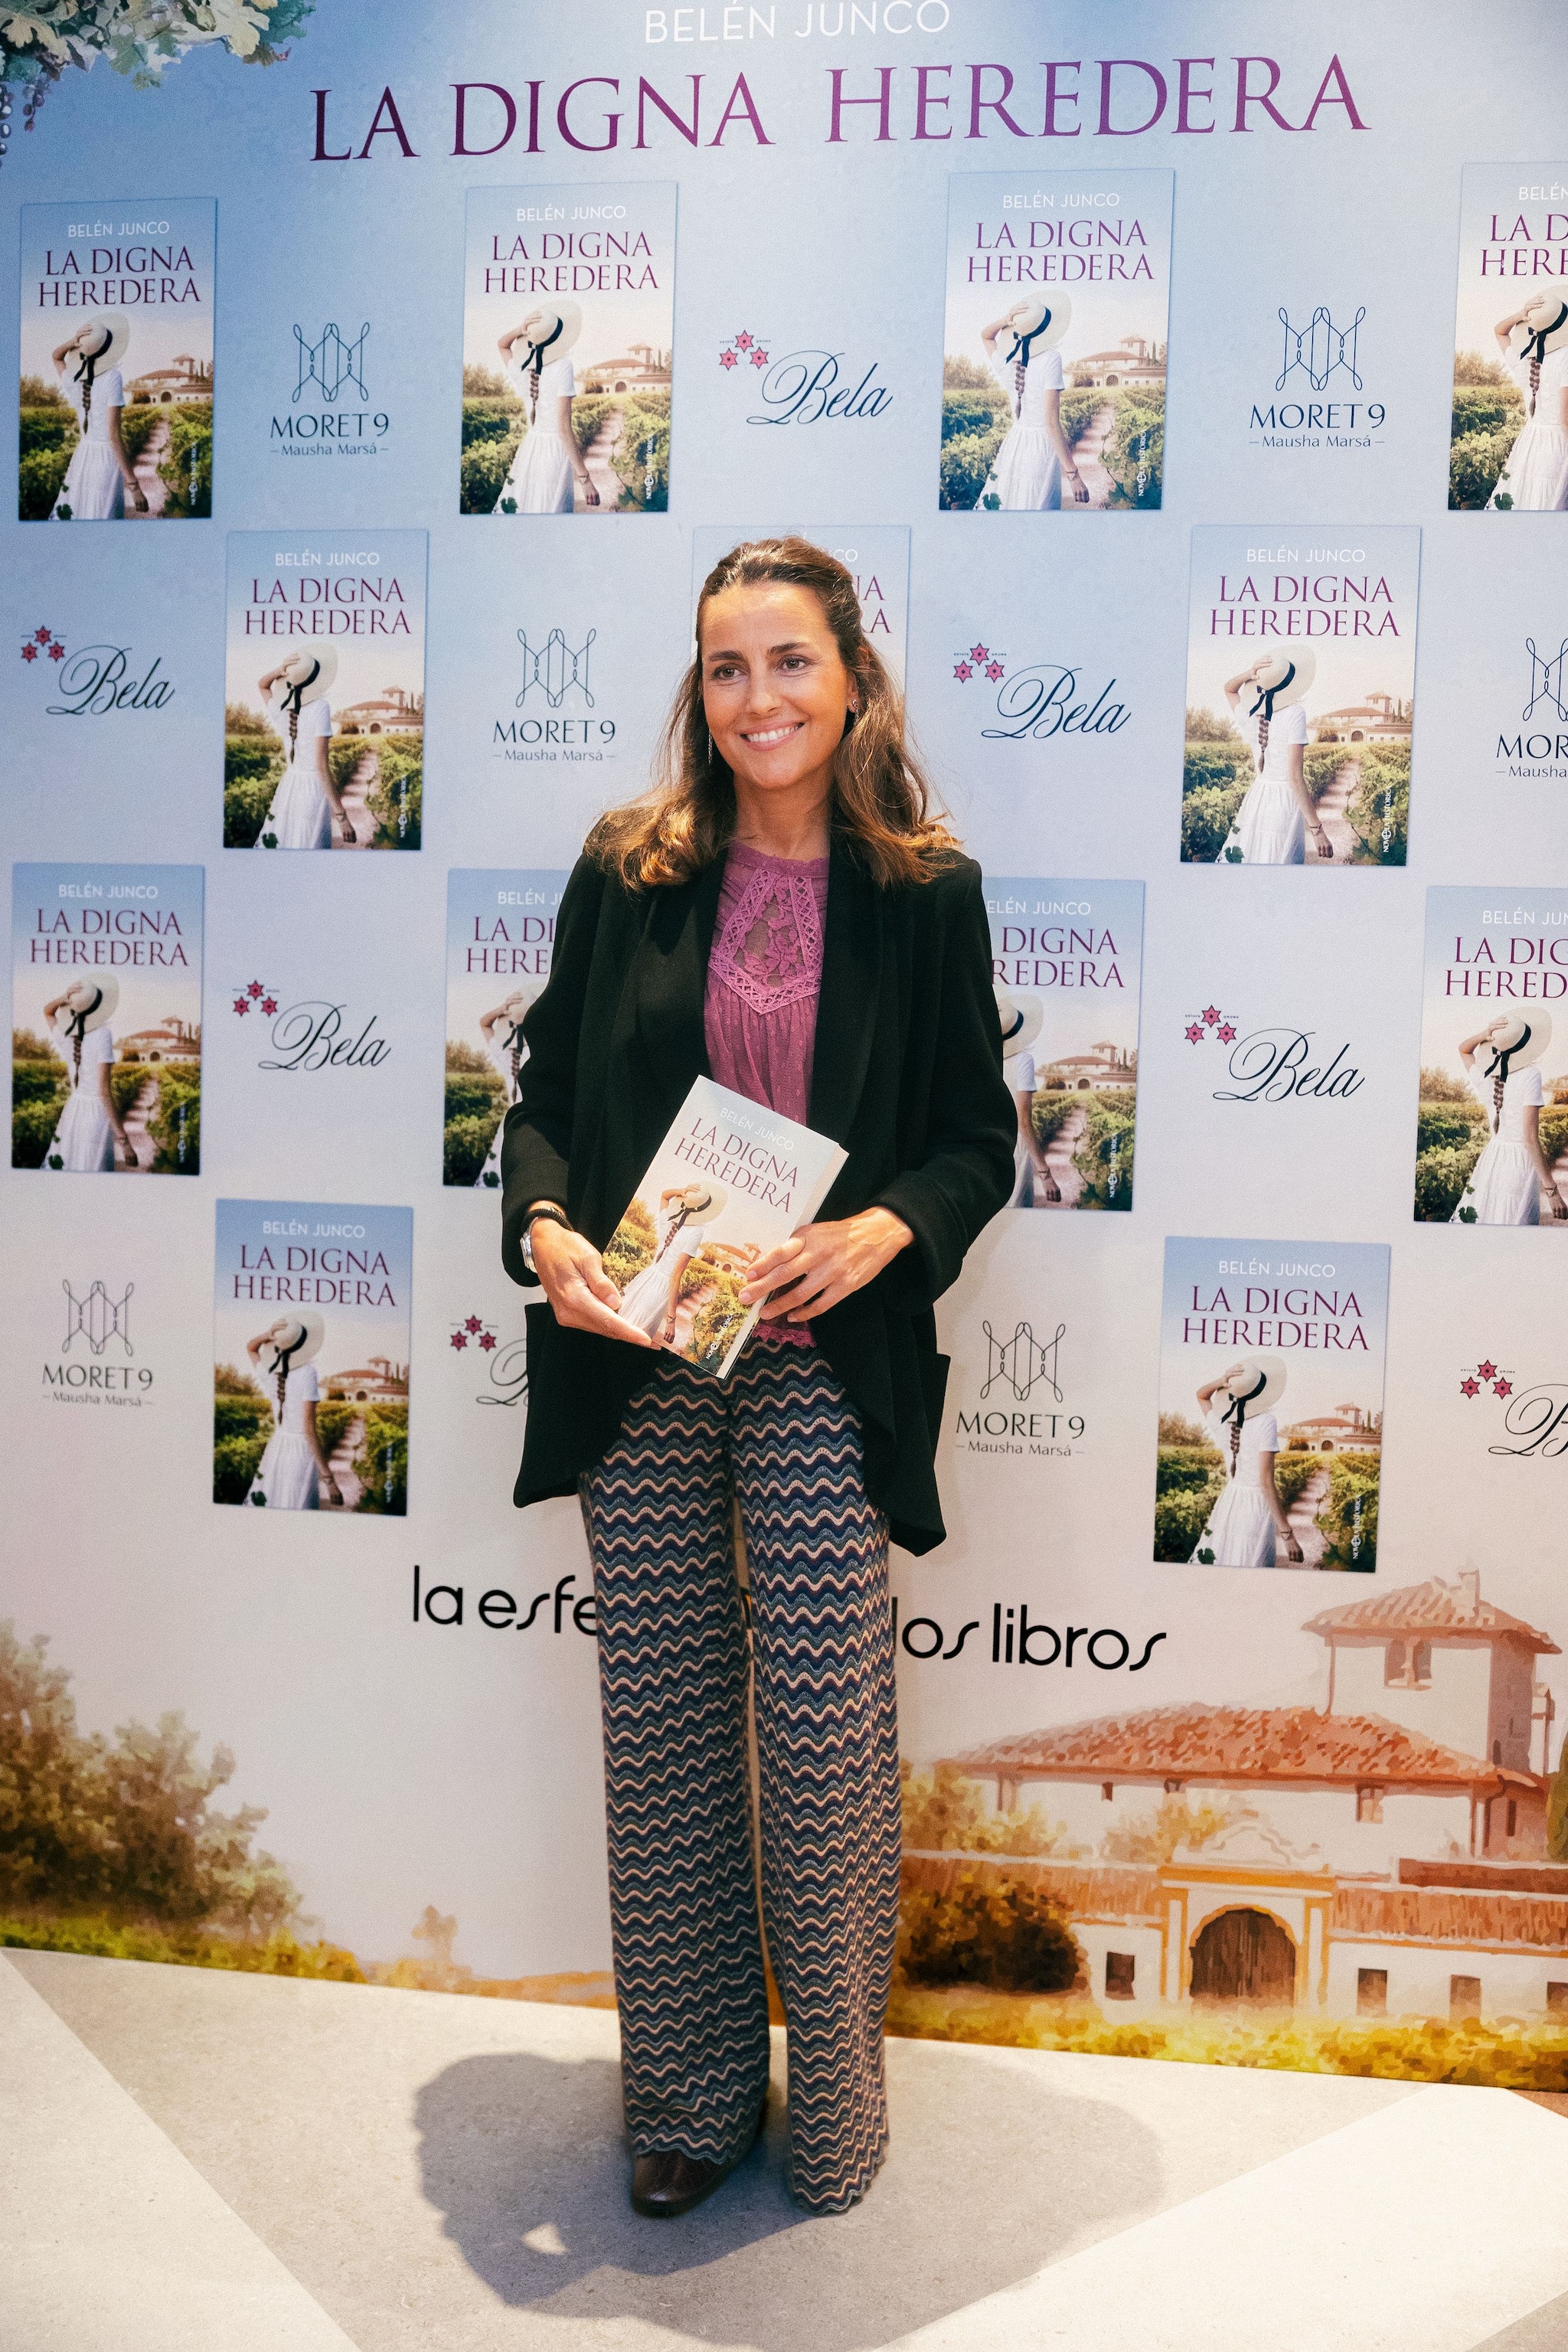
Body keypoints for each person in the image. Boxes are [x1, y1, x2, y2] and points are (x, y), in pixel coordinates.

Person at [501, 536, 1014, 2219]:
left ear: (849, 678)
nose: (757, 699)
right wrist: (551, 1230)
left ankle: (839, 2113)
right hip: (642, 1346)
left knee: (816, 1735)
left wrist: (877, 1235)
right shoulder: (628, 867)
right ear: (696, 690)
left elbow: (970, 1144)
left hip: (817, 1356)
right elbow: (542, 1102)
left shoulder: (924, 890)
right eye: (726, 667)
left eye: (788, 662)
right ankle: (691, 2101)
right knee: (656, 1732)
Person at [1452, 1011, 1566, 1225]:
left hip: (1492, 1159)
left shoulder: (1488, 1075)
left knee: (1484, 1219)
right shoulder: (1531, 1075)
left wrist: (1485, 1034)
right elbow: (1530, 1139)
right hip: (1519, 1165)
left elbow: (1464, 1049)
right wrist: (1552, 1192)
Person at [1216, 649, 1329, 864]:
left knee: (1250, 857)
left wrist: (1250, 673)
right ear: (1291, 684)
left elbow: (1229, 689)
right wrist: (1317, 829)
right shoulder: (1295, 714)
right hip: (1284, 804)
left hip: (1257, 799)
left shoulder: (1252, 712)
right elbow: (1295, 778)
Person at [1190, 1358, 1305, 1568]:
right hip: (1255, 1508)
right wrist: (1288, 1536)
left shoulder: (1223, 1420)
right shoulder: (1266, 1422)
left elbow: (1201, 1395)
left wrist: (1220, 1381)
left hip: (1230, 1502)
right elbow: (1266, 1483)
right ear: (1262, 1392)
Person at [978, 296, 1089, 511]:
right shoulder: (1051, 359)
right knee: (1038, 508)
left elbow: (986, 337)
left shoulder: (1008, 358)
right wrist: (1073, 474)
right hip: (1040, 449)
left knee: (1010, 503)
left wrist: (1005, 320)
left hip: (1015, 443)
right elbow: (1050, 421)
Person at [495, 302, 599, 514]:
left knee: (525, 508)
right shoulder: (563, 367)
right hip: (554, 454)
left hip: (530, 449)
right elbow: (563, 428)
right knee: (551, 511)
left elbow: (502, 345)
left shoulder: (524, 369)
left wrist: (520, 329)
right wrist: (584, 478)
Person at [253, 650, 356, 850]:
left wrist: (279, 670)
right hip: (312, 792)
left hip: (289, 787)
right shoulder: (320, 707)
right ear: (316, 680)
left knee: (284, 844)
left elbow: (262, 685)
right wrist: (342, 817)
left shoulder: (283, 708)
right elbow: (321, 767)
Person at [49, 317, 149, 519]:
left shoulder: (74, 378)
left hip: (83, 455)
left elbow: (56, 357)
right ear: (109, 350)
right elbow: (113, 436)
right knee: (102, 515)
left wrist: (72, 342)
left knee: (79, 512)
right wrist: (134, 485)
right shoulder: (112, 377)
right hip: (105, 460)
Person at [243, 1314, 341, 1509]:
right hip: (300, 1453)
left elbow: (251, 1348)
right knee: (295, 1506)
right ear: (304, 1345)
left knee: (271, 1501)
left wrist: (267, 1335)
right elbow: (308, 1430)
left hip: (277, 1446)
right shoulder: (308, 1373)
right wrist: (330, 1481)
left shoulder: (270, 1370)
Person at [616, 1182, 725, 1346]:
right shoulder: (696, 1232)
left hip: (647, 1277)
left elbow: (664, 1195)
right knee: (636, 1336)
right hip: (661, 1289)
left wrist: (682, 1191)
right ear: (704, 1211)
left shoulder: (670, 1219)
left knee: (620, 1323)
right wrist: (671, 1320)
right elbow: (675, 1276)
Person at [41, 978, 132, 1171]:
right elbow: (104, 1093)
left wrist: (62, 999)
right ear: (99, 1007)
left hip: (73, 1110)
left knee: (69, 1165)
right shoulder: (102, 1035)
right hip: (95, 1115)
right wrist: (124, 1141)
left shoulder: (67, 1034)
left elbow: (48, 1012)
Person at [1488, 296, 1568, 511]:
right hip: (1559, 446)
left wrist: (1520, 315)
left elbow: (1499, 331)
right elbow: (1566, 423)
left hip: (1530, 443)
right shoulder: (1566, 357)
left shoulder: (1526, 356)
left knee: (1526, 504)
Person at [473, 985, 542, 1189]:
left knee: (499, 1178)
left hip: (509, 1126)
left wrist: (501, 1010)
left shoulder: (507, 1053)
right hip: (534, 1128)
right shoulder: (541, 1054)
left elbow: (484, 1024)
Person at [996, 990, 1058, 1205]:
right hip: (1016, 1151)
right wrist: (1045, 1175)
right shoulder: (1023, 1061)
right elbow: (1023, 1121)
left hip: (991, 1148)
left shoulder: (989, 1063)